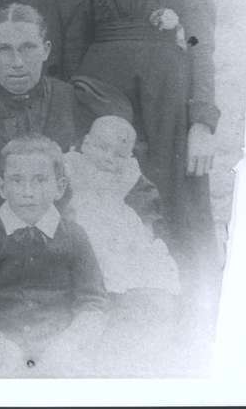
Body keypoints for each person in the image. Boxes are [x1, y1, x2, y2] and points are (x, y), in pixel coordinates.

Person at [61, 0, 220, 313]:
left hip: (165, 99)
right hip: (101, 95)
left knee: (172, 197)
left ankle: (184, 317)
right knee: (107, 198)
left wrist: (201, 122)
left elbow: (200, 41)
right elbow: (72, 38)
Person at [0, 3, 132, 225]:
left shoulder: (76, 102)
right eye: (4, 50)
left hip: (64, 245)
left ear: (46, 50)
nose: (17, 63)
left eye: (28, 48)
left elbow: (127, 178)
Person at [0, 134, 106, 376]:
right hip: (2, 350)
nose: (28, 192)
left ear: (60, 187)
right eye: (17, 180)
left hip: (61, 347)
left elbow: (92, 300)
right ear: (1, 187)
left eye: (40, 180)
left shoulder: (75, 235)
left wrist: (71, 343)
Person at [63, 116, 180, 374]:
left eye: (118, 154)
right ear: (86, 143)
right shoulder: (71, 165)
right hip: (82, 226)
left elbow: (147, 202)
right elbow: (57, 194)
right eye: (102, 148)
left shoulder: (129, 174)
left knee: (137, 268)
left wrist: (145, 232)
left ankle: (124, 307)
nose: (108, 158)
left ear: (128, 157)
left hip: (120, 233)